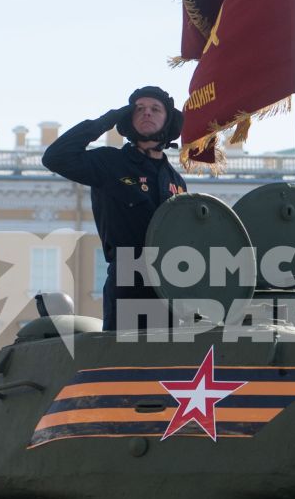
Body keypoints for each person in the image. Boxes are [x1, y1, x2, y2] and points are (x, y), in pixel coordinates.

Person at [41, 87, 188, 331]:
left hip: (171, 286)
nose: (147, 113)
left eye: (155, 109)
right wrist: (107, 120)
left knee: (169, 363)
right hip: (129, 280)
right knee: (124, 363)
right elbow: (56, 157)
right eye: (138, 109)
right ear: (128, 117)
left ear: (168, 119)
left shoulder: (176, 181)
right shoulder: (110, 163)